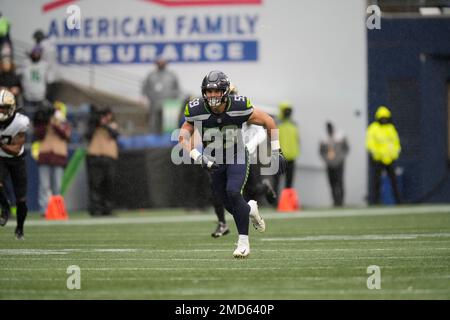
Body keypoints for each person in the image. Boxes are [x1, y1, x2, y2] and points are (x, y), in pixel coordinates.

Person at [178, 71, 287, 258]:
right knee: (228, 203)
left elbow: (268, 121)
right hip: (214, 160)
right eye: (209, 91)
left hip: (237, 155)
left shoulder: (238, 106)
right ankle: (250, 209)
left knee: (234, 192)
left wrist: (277, 150)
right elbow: (183, 135)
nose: (212, 95)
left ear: (226, 91)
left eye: (217, 91)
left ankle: (243, 242)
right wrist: (198, 157)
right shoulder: (196, 109)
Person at [0, 89, 30, 240]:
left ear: (11, 107)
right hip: (0, 159)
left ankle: (20, 228)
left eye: (3, 107)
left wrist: (2, 145)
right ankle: (5, 207)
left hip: (17, 159)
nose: (1, 111)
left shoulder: (20, 121)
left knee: (22, 200)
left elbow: (16, 149)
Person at [33, 101, 71, 215]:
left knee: (57, 186)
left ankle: (57, 210)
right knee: (44, 185)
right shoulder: (43, 123)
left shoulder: (64, 123)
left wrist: (55, 124)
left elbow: (65, 135)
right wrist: (47, 122)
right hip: (45, 156)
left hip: (58, 157)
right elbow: (39, 135)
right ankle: (44, 210)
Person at [86, 106, 119, 216]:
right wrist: (97, 124)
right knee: (95, 184)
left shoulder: (112, 125)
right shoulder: (93, 126)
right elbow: (87, 136)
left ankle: (108, 209)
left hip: (109, 158)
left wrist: (104, 125)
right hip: (95, 157)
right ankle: (95, 209)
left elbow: (115, 135)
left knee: (109, 184)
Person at [366, 105, 402, 204]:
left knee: (394, 181)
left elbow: (396, 142)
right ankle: (375, 201)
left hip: (390, 159)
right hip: (378, 159)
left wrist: (395, 153)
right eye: (382, 118)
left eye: (386, 118)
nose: (384, 120)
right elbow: (370, 143)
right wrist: (376, 154)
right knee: (376, 181)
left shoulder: (390, 128)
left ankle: (398, 201)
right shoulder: (373, 128)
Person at [141, 58, 180, 134]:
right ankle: (154, 138)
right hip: (154, 103)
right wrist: (144, 98)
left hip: (168, 104)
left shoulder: (171, 75)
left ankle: (167, 140)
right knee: (154, 122)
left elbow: (177, 89)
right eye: (159, 62)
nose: (161, 64)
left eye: (163, 62)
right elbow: (145, 88)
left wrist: (176, 100)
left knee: (168, 122)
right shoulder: (151, 75)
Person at [319, 121, 349, 207]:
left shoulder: (340, 137)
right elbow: (321, 152)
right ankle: (335, 201)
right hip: (329, 164)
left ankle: (341, 201)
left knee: (340, 182)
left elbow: (346, 149)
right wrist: (327, 160)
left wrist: (340, 158)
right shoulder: (324, 139)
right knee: (332, 183)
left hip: (339, 163)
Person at [274, 101, 300, 196]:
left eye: (289, 111)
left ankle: (287, 202)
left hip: (291, 158)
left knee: (289, 182)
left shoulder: (294, 125)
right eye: (286, 111)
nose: (288, 113)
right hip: (279, 157)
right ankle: (275, 202)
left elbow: (297, 140)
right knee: (277, 182)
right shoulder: (276, 124)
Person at [19, 46, 52, 117]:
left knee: (41, 120)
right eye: (34, 53)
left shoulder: (44, 65)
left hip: (41, 96)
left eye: (38, 53)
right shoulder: (25, 64)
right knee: (27, 119)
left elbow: (49, 80)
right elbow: (18, 74)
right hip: (28, 96)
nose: (36, 55)